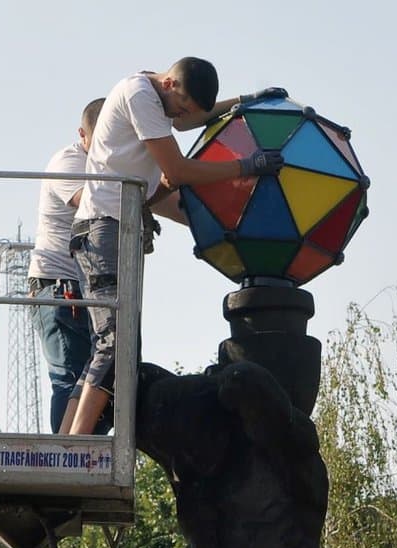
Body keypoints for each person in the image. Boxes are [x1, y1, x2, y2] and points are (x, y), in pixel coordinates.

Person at [67, 56, 286, 435]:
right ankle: (74, 445)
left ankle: (66, 441)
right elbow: (179, 172)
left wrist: (241, 102)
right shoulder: (139, 95)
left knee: (113, 343)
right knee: (115, 343)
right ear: (169, 84)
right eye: (181, 107)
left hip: (117, 228)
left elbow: (188, 118)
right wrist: (246, 166)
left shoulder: (158, 99)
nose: (181, 119)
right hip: (102, 229)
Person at [28, 98, 104, 434]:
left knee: (100, 381)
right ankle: (63, 456)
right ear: (83, 135)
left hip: (88, 289)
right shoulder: (70, 161)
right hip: (60, 287)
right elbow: (89, 203)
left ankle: (81, 452)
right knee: (71, 377)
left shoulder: (106, 169)